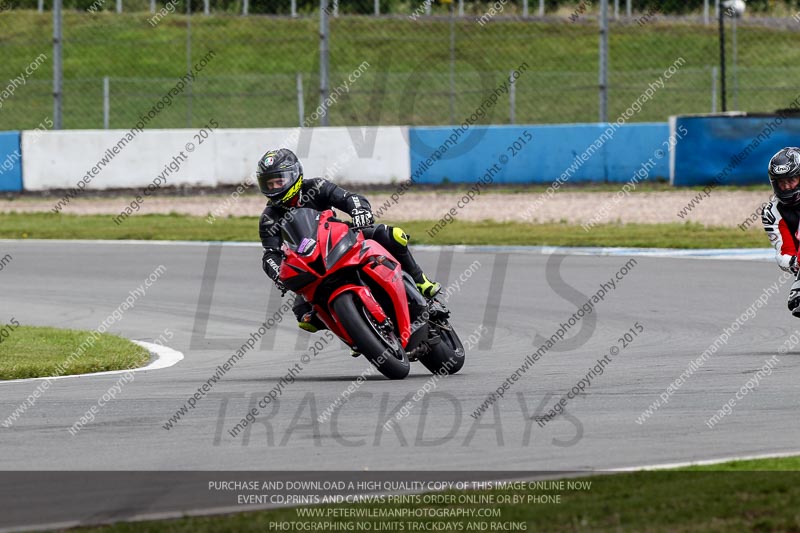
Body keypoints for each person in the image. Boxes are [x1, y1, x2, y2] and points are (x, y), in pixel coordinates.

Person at [257, 148, 441, 333]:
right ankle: (356, 332)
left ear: (295, 174)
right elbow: (271, 254)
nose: (275, 188)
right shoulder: (269, 218)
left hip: (343, 238)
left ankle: (420, 282)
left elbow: (349, 198)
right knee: (305, 317)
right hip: (312, 263)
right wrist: (278, 273)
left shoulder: (316, 187)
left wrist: (359, 211)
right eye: (269, 184)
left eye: (279, 181)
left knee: (392, 235)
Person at [762, 147, 800, 317]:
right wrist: (795, 262)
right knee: (797, 301)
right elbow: (783, 253)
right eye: (781, 182)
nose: (786, 187)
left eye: (791, 180)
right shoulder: (772, 212)